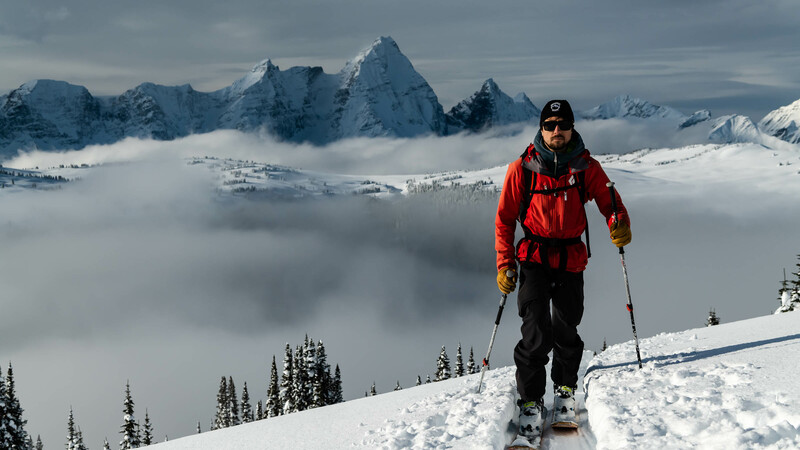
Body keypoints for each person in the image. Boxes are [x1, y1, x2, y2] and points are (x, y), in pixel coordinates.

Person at [494, 100, 631, 441]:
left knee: (567, 324)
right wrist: (505, 263)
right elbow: (505, 220)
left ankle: (565, 389)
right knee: (536, 328)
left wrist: (619, 222)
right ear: (541, 128)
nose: (557, 130)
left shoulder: (584, 166)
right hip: (535, 257)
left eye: (563, 124)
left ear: (572, 128)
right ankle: (530, 401)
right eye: (550, 124)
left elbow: (609, 200)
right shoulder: (522, 169)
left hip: (571, 256)